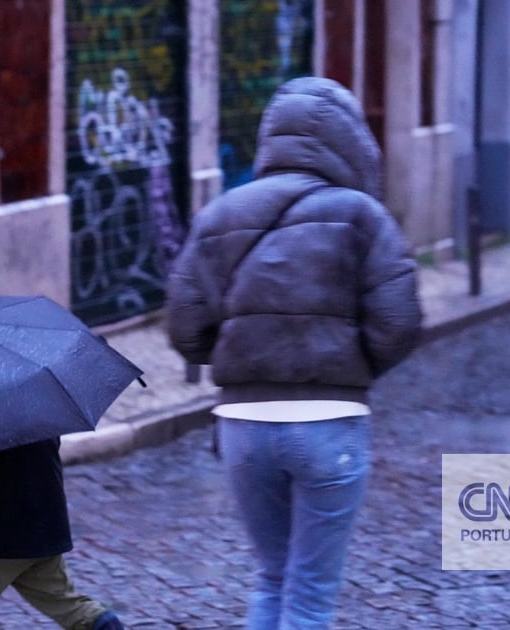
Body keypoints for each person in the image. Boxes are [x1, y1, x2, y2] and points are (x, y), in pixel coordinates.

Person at [166, 76, 422, 629]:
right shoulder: (362, 216)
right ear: (350, 141)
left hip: (242, 425)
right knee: (309, 594)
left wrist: (241, 360)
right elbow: (398, 323)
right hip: (331, 423)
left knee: (272, 578)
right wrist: (347, 369)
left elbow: (186, 329)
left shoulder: (221, 214)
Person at [0, 438, 124, 630]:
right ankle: (105, 625)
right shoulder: (38, 412)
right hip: (46, 526)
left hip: (1, 535)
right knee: (66, 604)